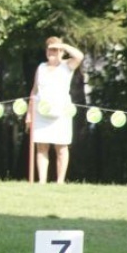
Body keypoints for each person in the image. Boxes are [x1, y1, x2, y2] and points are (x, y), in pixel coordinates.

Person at [26, 36, 84, 184]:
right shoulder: (41, 67)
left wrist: (62, 45)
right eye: (50, 49)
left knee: (61, 146)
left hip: (61, 112)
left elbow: (80, 56)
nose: (52, 52)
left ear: (62, 51)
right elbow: (34, 90)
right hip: (41, 111)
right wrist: (29, 114)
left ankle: (60, 180)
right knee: (41, 146)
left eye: (56, 50)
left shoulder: (67, 65)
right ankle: (42, 180)